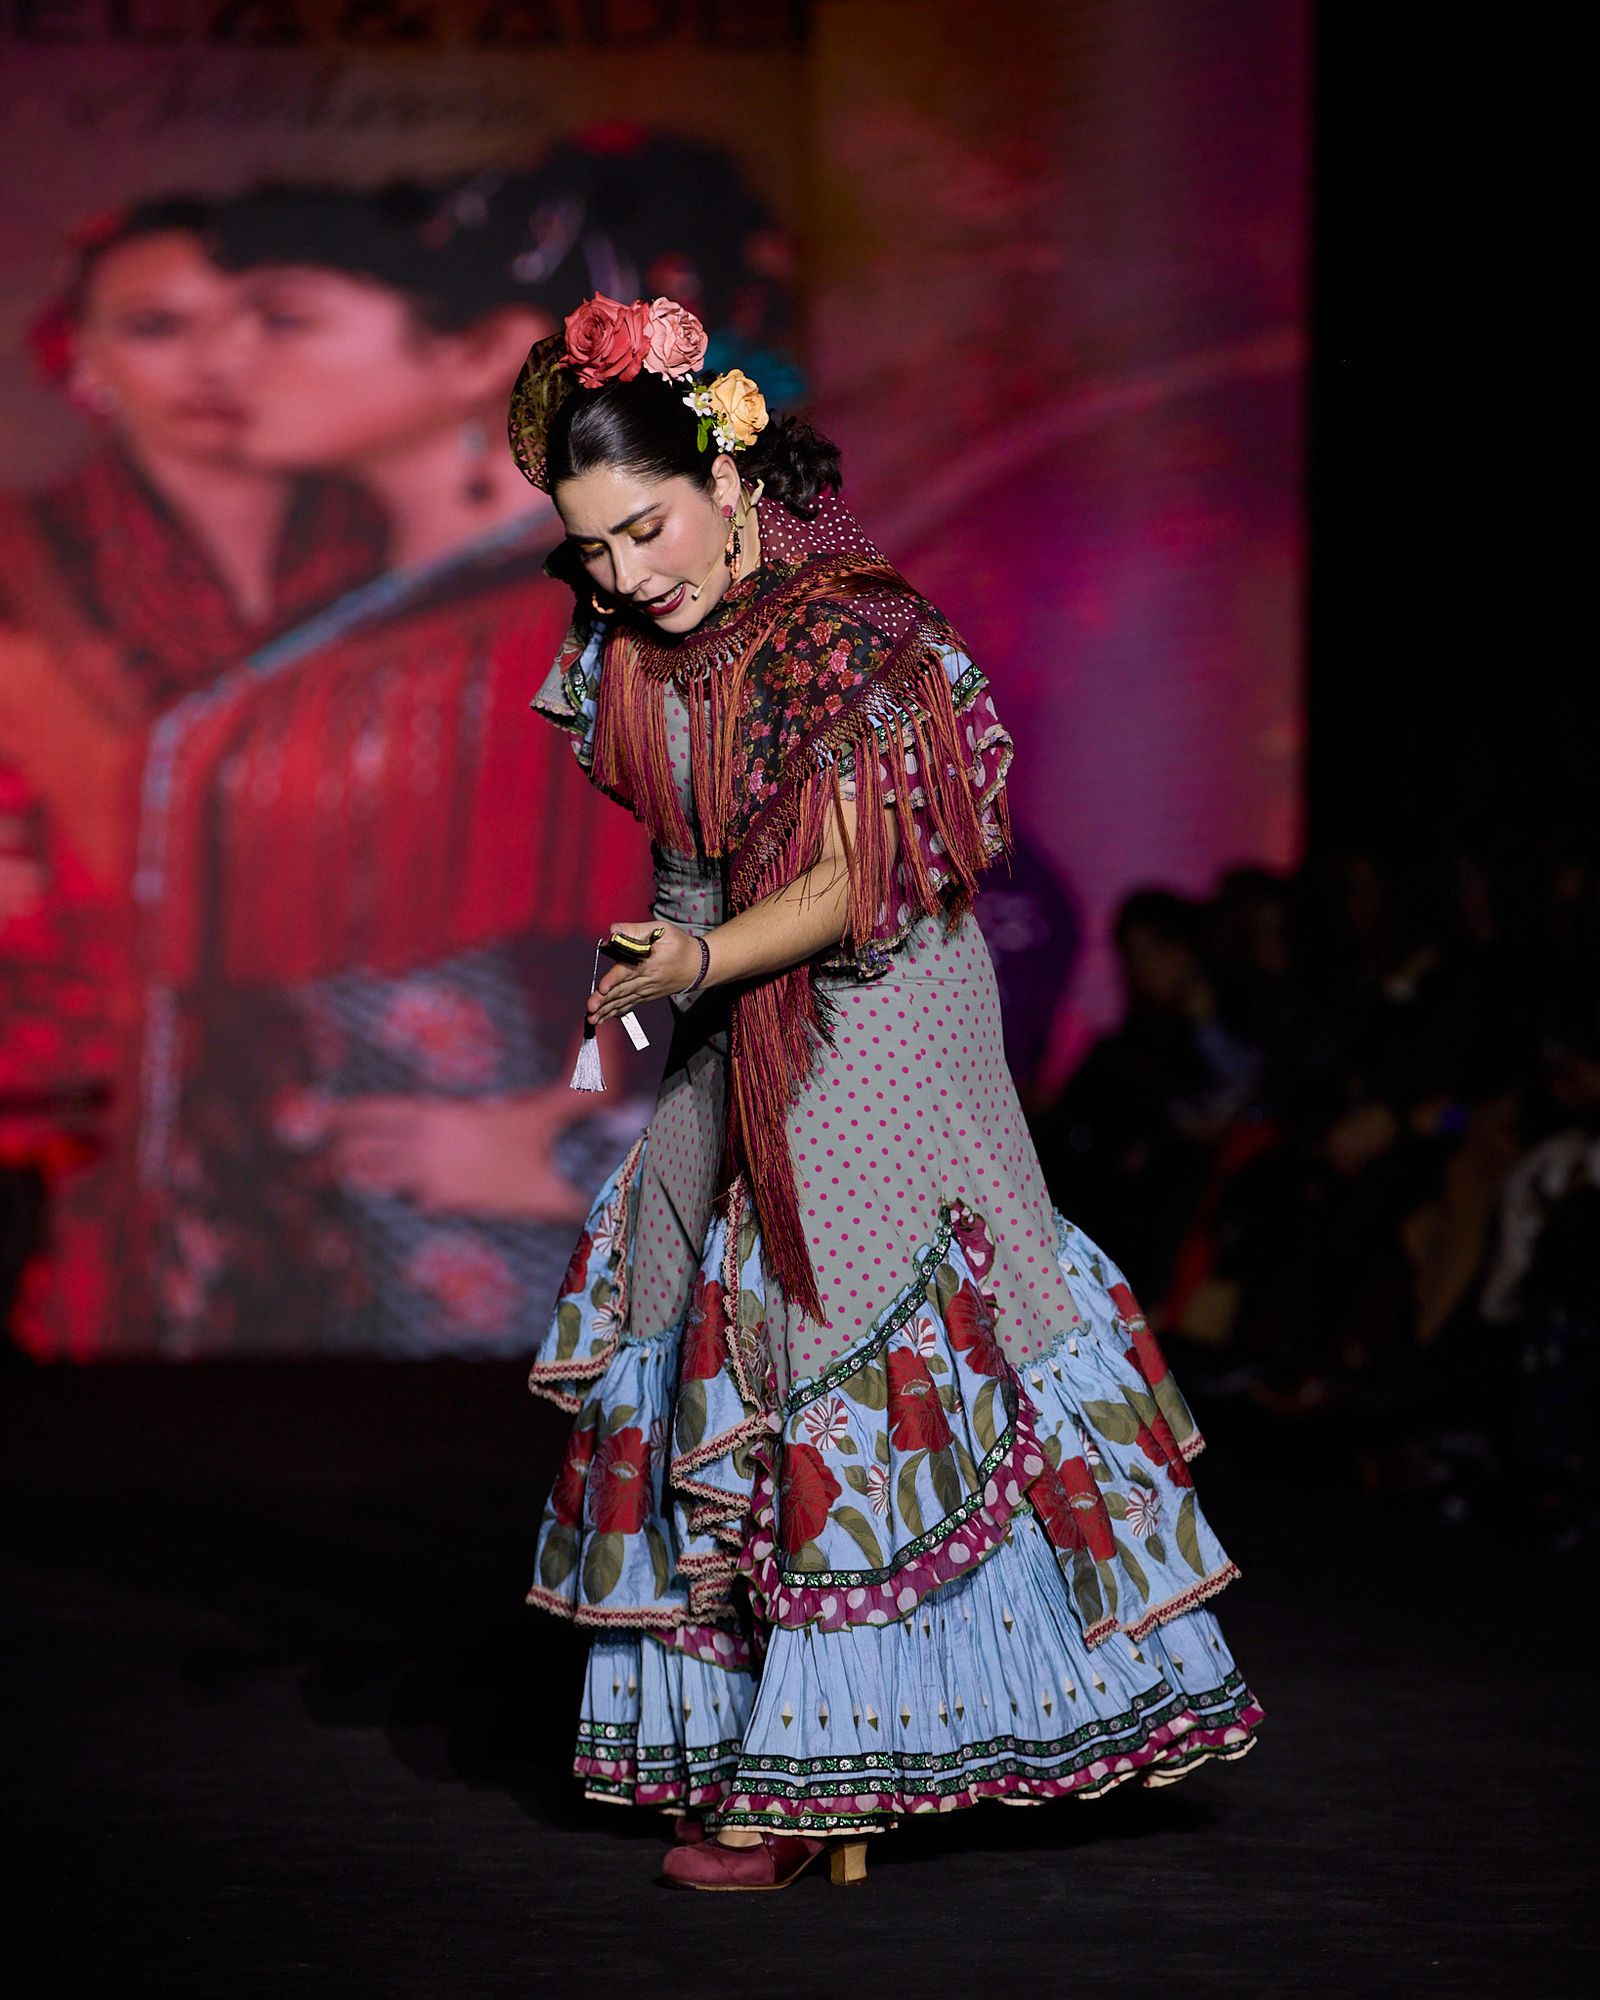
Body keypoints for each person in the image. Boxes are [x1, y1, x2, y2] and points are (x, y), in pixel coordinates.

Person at [514, 293, 1263, 1890]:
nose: (625, 575)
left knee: (830, 1298)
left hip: (888, 1006)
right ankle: (753, 1733)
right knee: (668, 1238)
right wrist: (665, 954)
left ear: (733, 480)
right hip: (744, 999)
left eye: (645, 530)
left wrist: (696, 969)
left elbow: (860, 886)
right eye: (592, 551)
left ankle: (829, 1780)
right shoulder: (635, 662)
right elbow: (695, 868)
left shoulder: (862, 634)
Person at [0, 198, 384, 1357]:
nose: (221, 363)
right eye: (159, 326)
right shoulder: (20, 567)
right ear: (84, 360)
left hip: (393, 1093)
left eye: (262, 320)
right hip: (79, 1106)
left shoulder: (420, 552)